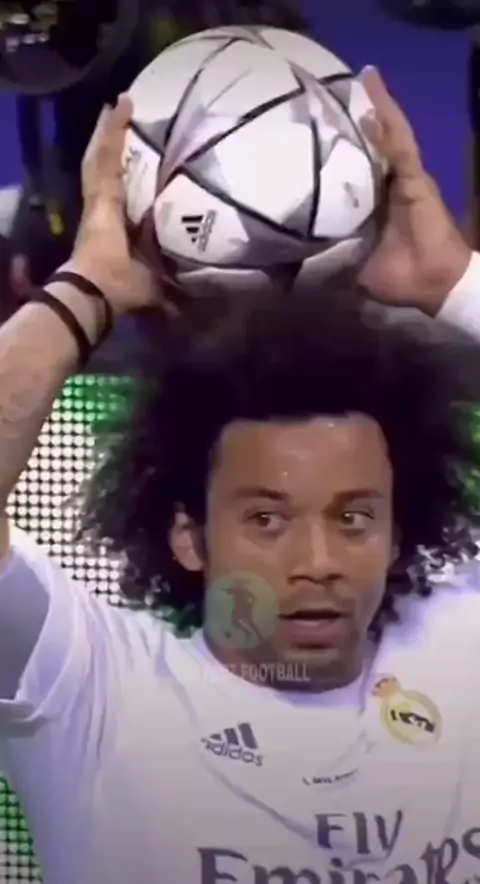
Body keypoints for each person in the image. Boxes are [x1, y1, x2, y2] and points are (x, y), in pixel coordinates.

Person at [1, 66, 480, 884]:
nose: (318, 562)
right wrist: (88, 289)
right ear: (190, 536)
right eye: (267, 519)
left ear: (400, 532)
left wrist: (453, 282)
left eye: (354, 518)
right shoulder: (88, 690)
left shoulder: (462, 645)